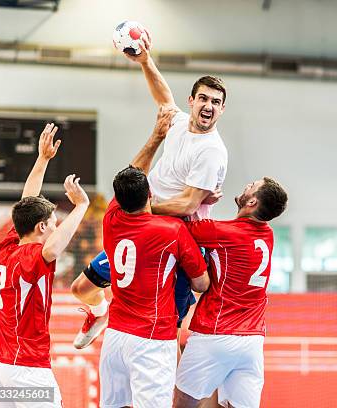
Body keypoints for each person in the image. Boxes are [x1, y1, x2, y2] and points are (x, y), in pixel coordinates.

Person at [71, 28, 228, 349]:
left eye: (216, 102)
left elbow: (186, 205)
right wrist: (145, 61)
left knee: (167, 328)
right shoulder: (180, 123)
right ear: (192, 101)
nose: (208, 106)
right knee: (81, 288)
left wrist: (141, 208)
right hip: (143, 223)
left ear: (222, 109)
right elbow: (163, 99)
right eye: (203, 98)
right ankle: (99, 314)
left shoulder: (212, 151)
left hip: (178, 232)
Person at [0, 123, 89, 407]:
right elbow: (54, 246)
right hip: (27, 372)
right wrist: (81, 206)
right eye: (54, 224)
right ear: (42, 226)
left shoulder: (8, 247)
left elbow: (26, 202)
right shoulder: (33, 257)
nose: (57, 229)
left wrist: (43, 159)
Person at [99, 163, 209, 408]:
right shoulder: (172, 229)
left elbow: (133, 170)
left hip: (115, 335)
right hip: (152, 337)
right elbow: (201, 284)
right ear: (150, 194)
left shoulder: (110, 219)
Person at [174, 177, 288, 408]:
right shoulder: (267, 235)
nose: (246, 185)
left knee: (182, 405)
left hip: (216, 332)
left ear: (252, 201)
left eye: (251, 186)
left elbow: (177, 227)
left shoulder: (223, 232)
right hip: (252, 342)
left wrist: (197, 200)